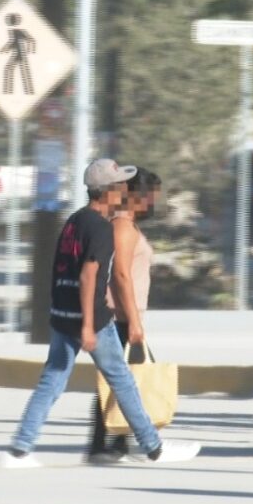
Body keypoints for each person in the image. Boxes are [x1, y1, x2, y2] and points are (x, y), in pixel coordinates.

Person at [1, 159, 200, 468]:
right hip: (90, 316)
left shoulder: (74, 221)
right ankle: (154, 448)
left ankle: (19, 450)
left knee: (52, 381)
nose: (124, 189)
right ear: (111, 190)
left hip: (63, 313)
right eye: (121, 185)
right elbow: (89, 276)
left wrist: (61, 311)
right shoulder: (102, 228)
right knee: (122, 380)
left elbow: (59, 269)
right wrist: (89, 326)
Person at [86, 167, 162, 464]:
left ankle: (111, 445)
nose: (153, 204)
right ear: (135, 197)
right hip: (118, 314)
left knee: (120, 379)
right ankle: (113, 444)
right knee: (122, 379)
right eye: (150, 197)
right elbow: (120, 275)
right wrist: (133, 320)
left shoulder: (126, 225)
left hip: (122, 313)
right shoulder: (122, 227)